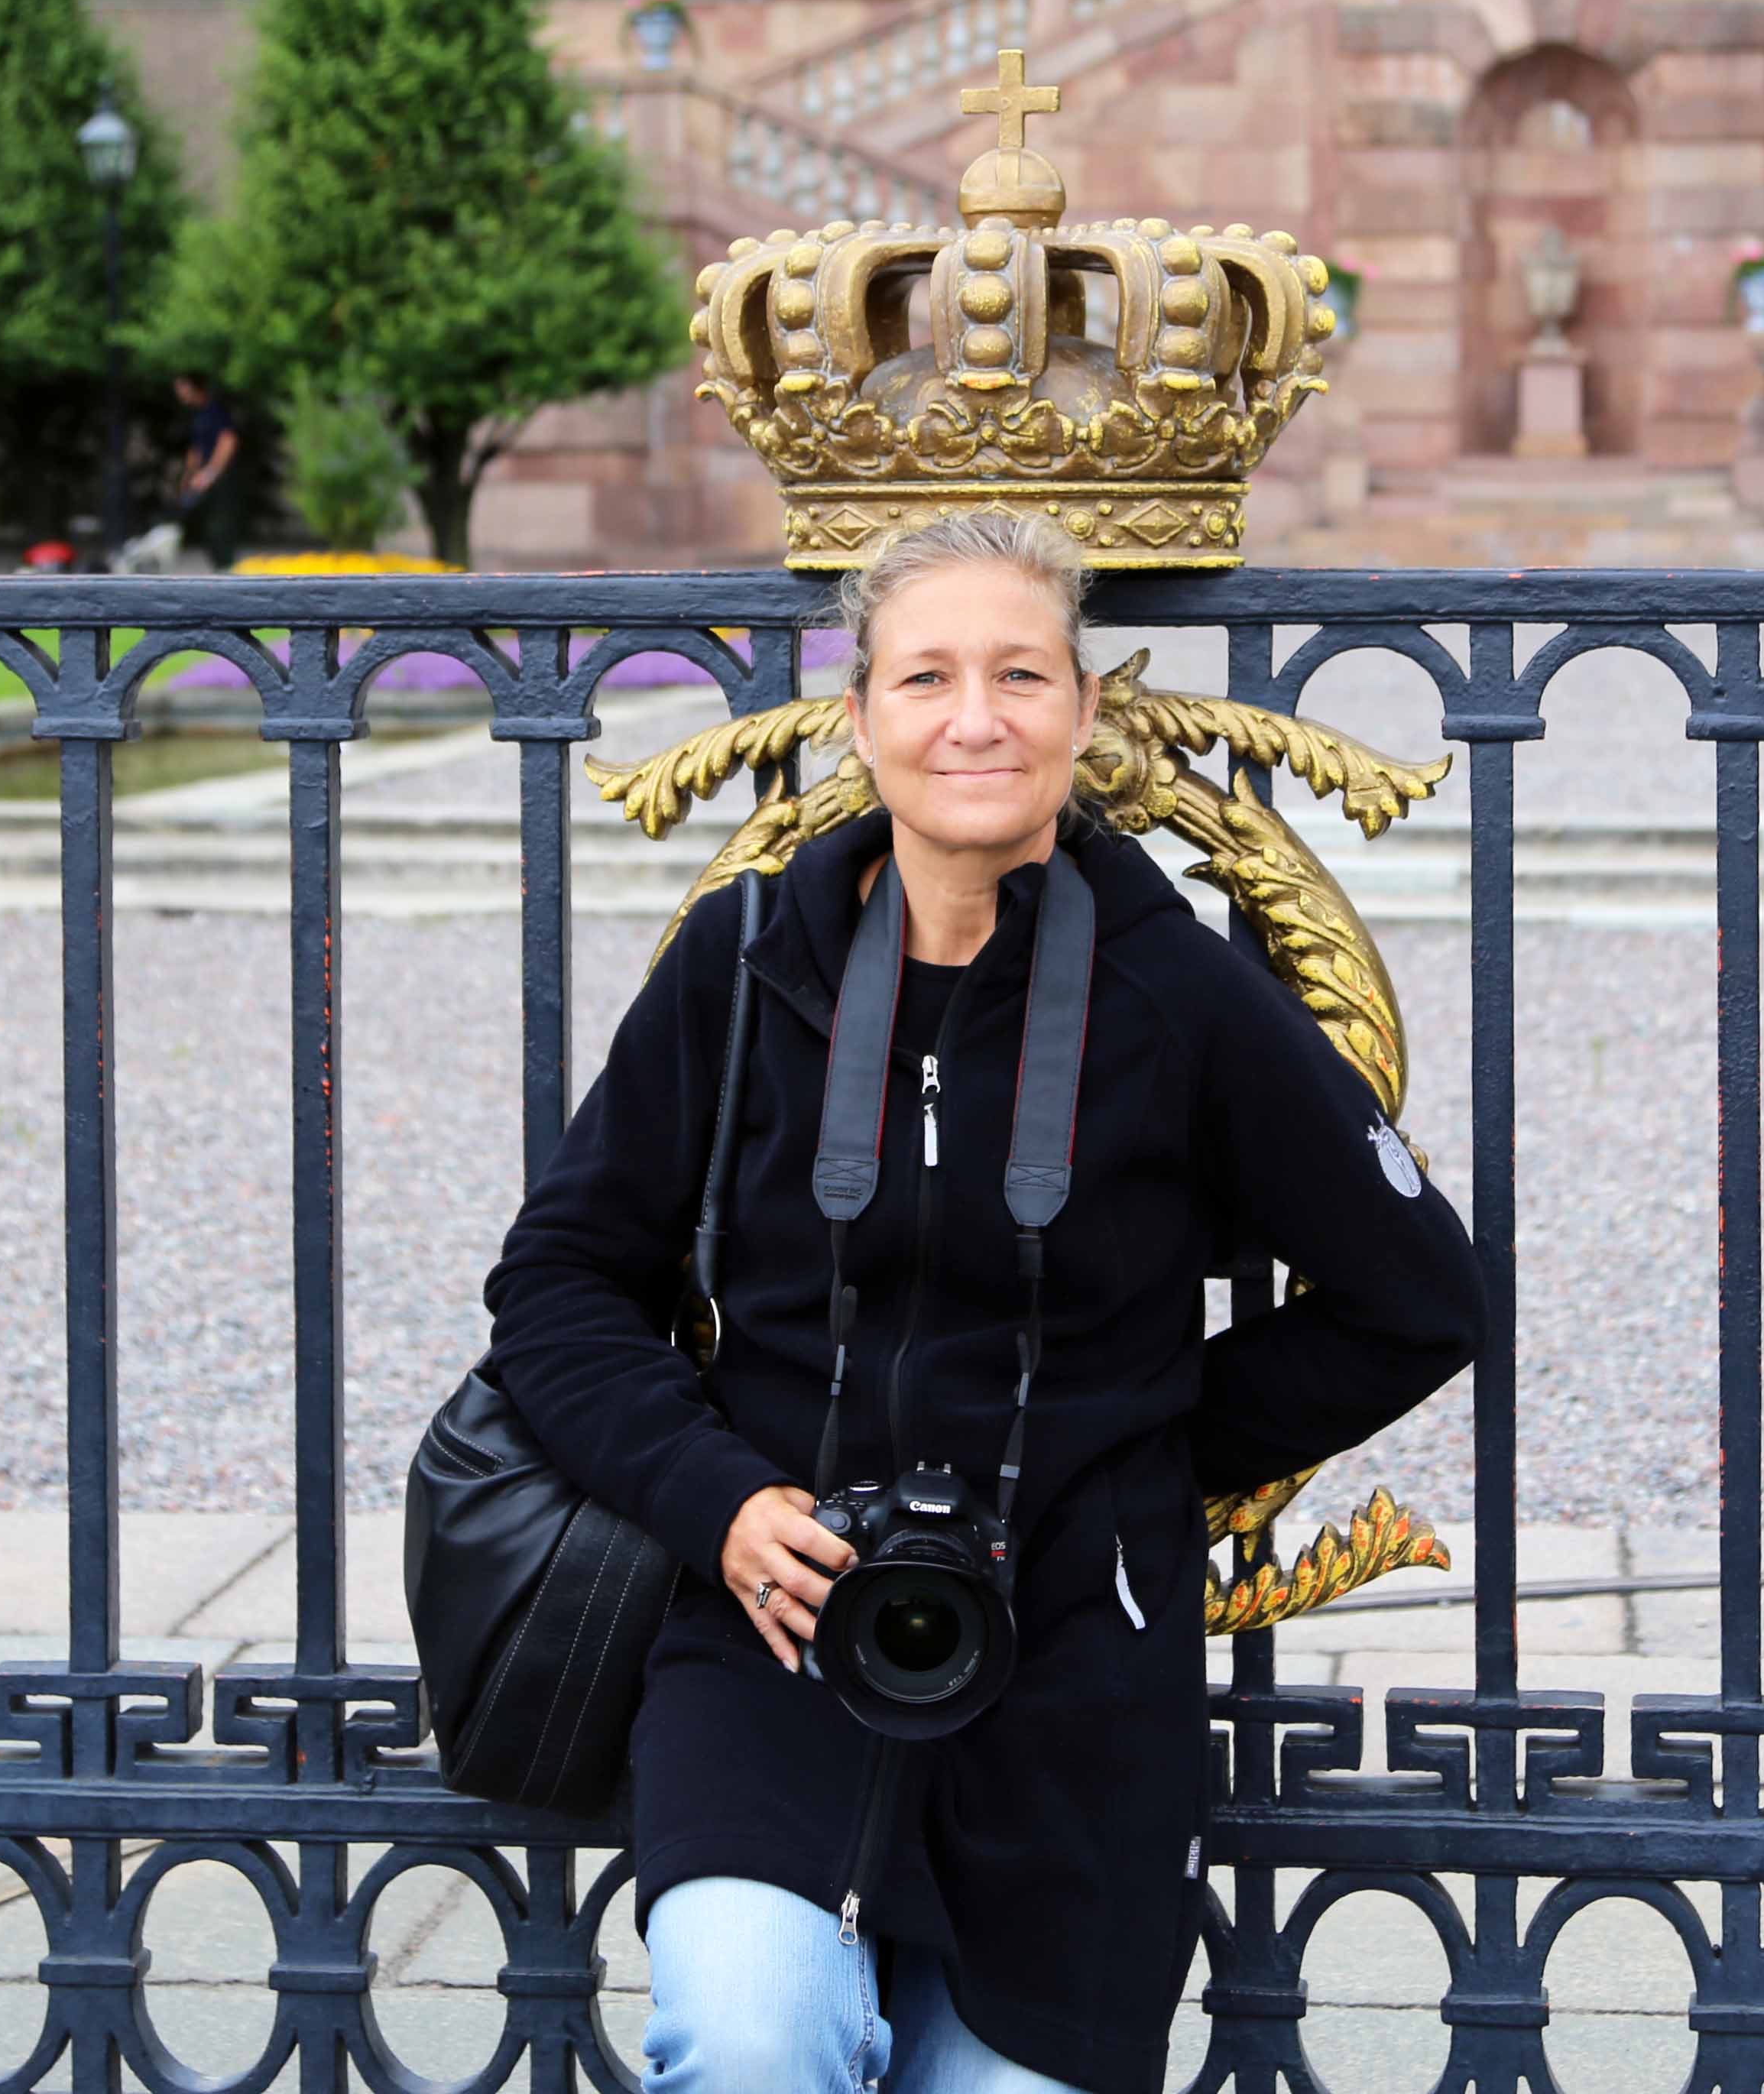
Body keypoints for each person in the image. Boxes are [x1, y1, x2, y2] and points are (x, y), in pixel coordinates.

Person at [484, 508, 1482, 2094]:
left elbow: (1418, 1296)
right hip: (773, 1643)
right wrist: (714, 1495)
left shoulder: (1179, 988)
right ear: (859, 714)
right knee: (746, 2041)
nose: (975, 719)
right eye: (926, 676)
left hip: (1075, 1683)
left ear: (1082, 712)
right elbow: (555, 1283)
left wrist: (1137, 1460)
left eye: (1021, 674)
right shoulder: (745, 962)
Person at [168, 372, 246, 566]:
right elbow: (196, 450)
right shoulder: (197, 414)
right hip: (204, 477)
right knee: (204, 523)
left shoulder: (215, 410)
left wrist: (210, 473)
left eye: (183, 387)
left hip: (221, 476)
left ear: (195, 387)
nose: (179, 393)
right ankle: (218, 567)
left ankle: (226, 568)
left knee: (220, 525)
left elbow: (228, 441)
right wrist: (188, 477)